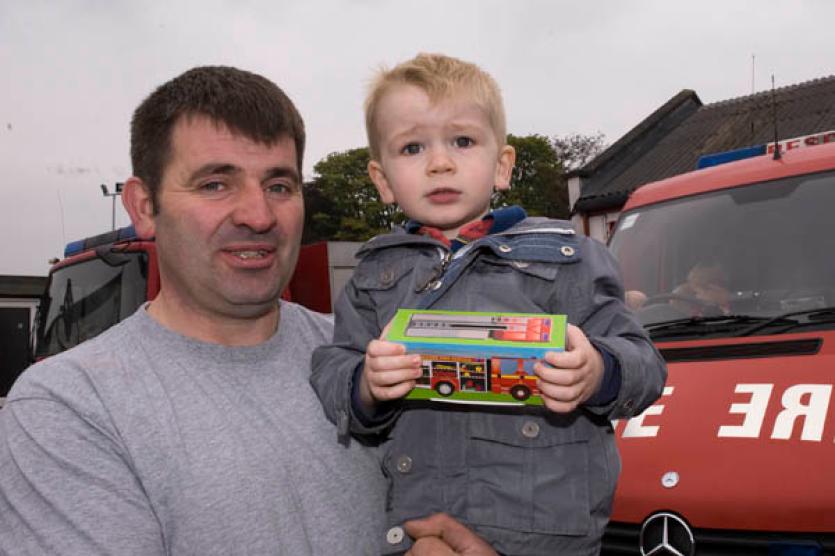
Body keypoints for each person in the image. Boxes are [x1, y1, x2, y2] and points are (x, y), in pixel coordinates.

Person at [0, 66, 386, 555]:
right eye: (214, 185)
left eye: (280, 186)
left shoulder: (367, 359)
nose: (259, 216)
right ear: (143, 206)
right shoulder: (70, 407)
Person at [310, 53, 667, 555]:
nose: (440, 162)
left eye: (462, 140)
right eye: (412, 147)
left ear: (502, 166)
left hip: (546, 538)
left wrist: (597, 371)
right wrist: (364, 386)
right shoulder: (372, 276)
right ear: (383, 179)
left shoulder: (570, 258)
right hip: (420, 533)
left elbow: (646, 365)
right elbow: (333, 367)